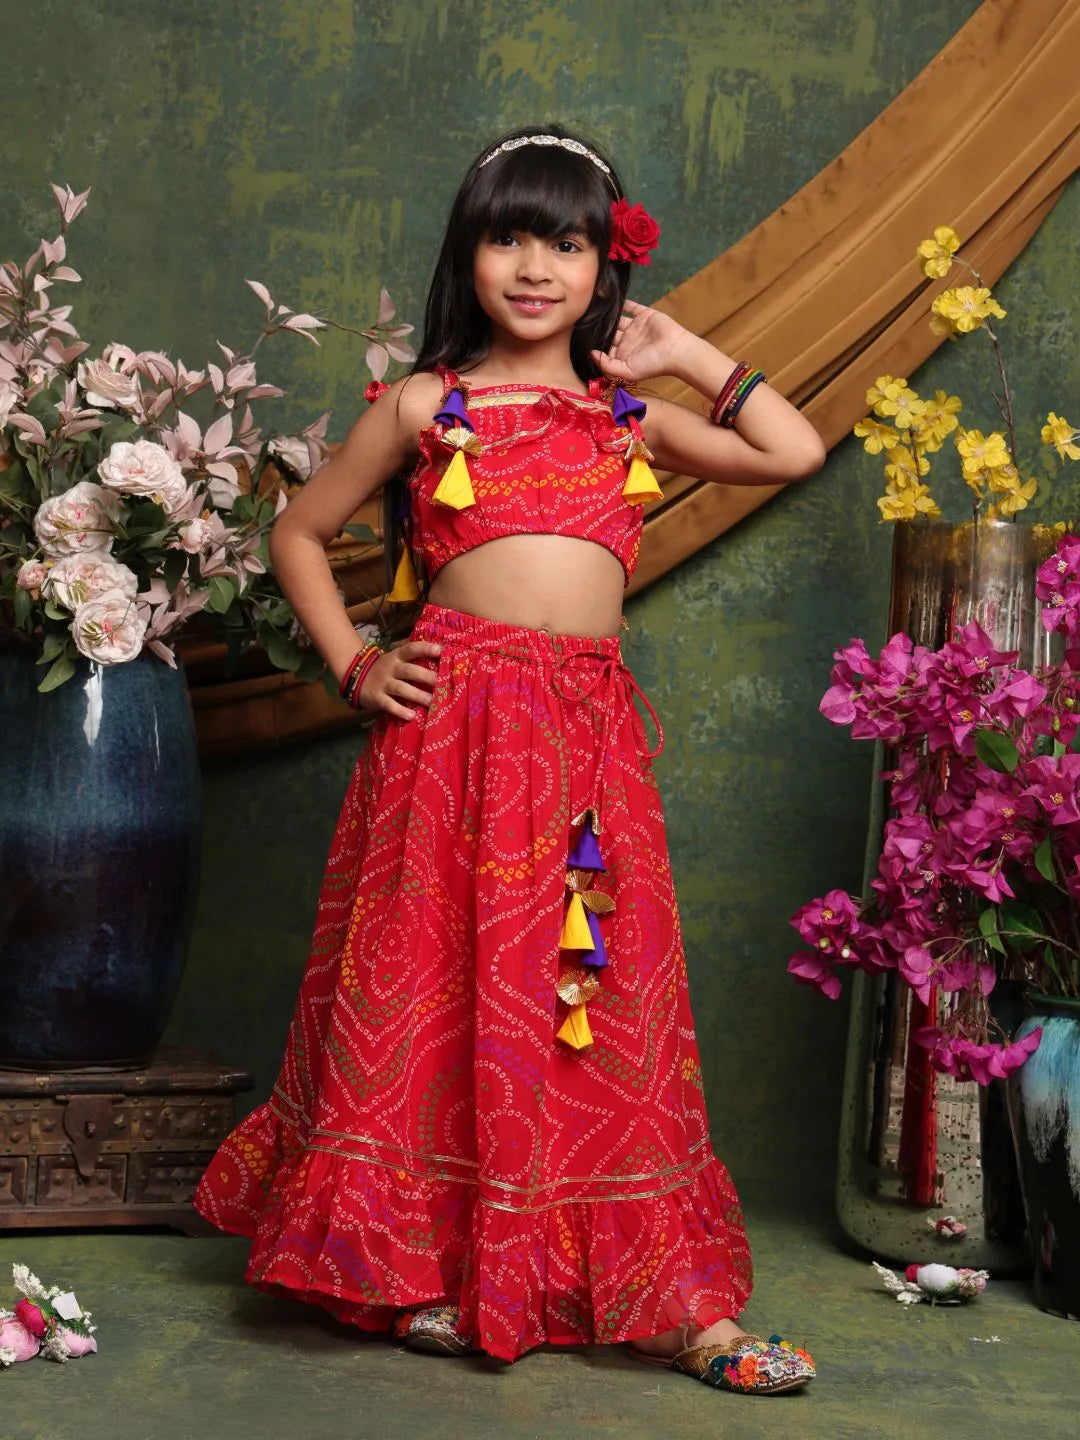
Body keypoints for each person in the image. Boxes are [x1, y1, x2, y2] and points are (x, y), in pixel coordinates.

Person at [194, 124, 825, 1396]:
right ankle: (420, 1273)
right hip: (450, 735)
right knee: (429, 982)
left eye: (568, 242)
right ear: (467, 254)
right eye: (507, 237)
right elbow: (299, 534)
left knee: (596, 1003)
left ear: (606, 265)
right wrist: (361, 667)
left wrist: (688, 350)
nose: (535, 267)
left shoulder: (626, 414)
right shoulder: (429, 406)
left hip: (584, 748)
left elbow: (792, 452)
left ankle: (684, 1309)